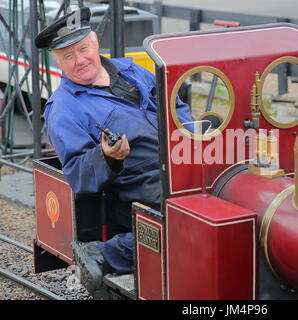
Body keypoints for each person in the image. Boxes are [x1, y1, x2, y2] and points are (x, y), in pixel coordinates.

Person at [34, 7, 193, 297]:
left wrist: (193, 132)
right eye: (68, 56)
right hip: (140, 187)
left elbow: (175, 103)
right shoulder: (63, 110)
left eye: (83, 49)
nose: (79, 60)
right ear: (58, 62)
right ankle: (104, 253)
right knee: (192, 225)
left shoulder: (131, 70)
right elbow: (79, 174)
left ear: (96, 44)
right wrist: (107, 157)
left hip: (185, 164)